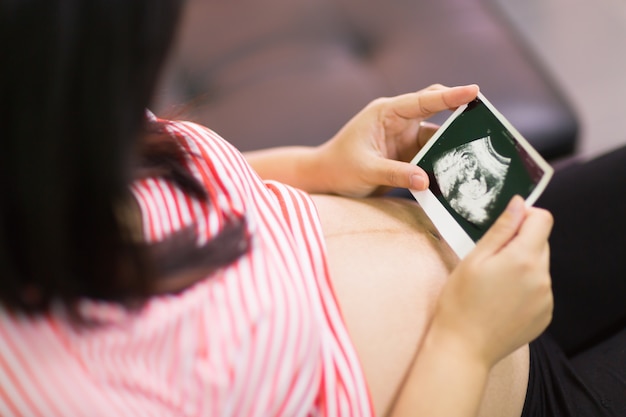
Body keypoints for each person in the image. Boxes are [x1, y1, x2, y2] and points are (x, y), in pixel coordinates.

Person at [0, 1, 624, 417]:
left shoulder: (48, 138)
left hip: (478, 256)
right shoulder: (60, 394)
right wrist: (464, 344)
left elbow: (173, 178)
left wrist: (319, 165)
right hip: (505, 383)